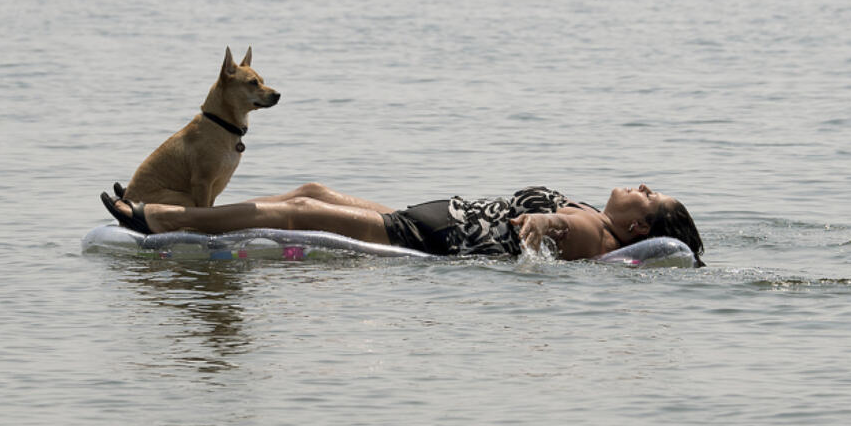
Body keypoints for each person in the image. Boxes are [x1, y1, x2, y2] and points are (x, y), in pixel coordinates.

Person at [101, 182, 705, 265]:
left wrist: (538, 228)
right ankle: (180, 209)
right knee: (312, 190)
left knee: (303, 213)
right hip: (419, 219)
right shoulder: (598, 217)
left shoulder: (590, 233)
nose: (639, 185)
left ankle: (160, 218)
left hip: (424, 238)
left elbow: (540, 230)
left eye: (647, 195)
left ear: (634, 231)